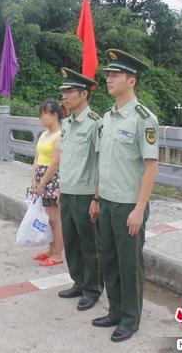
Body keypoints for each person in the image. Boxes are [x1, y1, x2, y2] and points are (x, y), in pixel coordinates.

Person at [91, 49, 159, 343]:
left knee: (129, 265)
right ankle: (116, 311)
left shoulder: (143, 118)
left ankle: (131, 319)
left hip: (128, 205)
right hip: (106, 201)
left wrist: (139, 209)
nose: (108, 79)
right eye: (108, 74)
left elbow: (151, 166)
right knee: (109, 260)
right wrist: (96, 198)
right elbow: (102, 163)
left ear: (131, 80)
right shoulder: (107, 118)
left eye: (115, 75)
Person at [56, 68, 103, 312]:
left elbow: (102, 163)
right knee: (72, 242)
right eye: (62, 91)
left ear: (83, 94)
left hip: (86, 193)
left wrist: (96, 197)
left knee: (89, 244)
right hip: (68, 191)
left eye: (69, 91)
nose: (64, 96)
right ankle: (78, 281)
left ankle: (92, 288)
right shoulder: (67, 123)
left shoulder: (96, 124)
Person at [31, 100, 64, 267]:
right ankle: (50, 250)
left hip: (52, 179)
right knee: (47, 217)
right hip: (40, 177)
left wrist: (43, 183)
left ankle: (57, 253)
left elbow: (55, 163)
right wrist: (34, 180)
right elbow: (37, 157)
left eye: (43, 114)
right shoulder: (44, 134)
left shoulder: (60, 135)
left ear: (54, 115)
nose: (41, 118)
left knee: (55, 219)